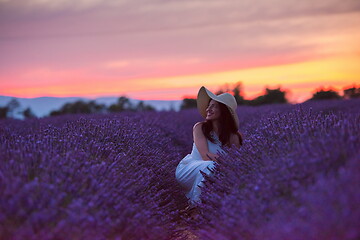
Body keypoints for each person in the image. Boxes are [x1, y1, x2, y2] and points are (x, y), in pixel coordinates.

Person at [175, 86, 242, 206]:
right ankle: (196, 206)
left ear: (224, 111)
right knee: (211, 165)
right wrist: (228, 163)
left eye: (213, 106)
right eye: (208, 106)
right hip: (190, 170)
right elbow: (206, 156)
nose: (208, 109)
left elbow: (237, 161)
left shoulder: (234, 137)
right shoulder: (200, 128)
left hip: (215, 173)